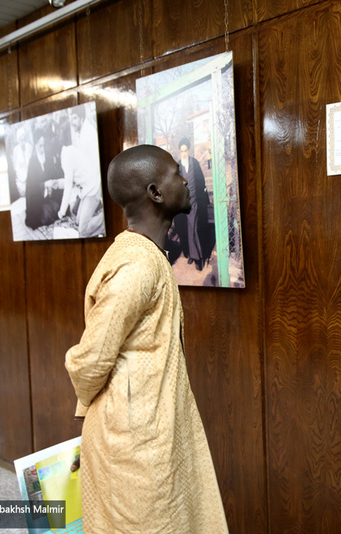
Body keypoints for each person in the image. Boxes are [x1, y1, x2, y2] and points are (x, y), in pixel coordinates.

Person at [64, 144, 229, 533]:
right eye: (176, 173)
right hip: (133, 447)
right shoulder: (138, 266)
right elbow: (89, 360)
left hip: (147, 434)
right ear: (155, 193)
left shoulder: (147, 256)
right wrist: (95, 419)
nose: (186, 180)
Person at [58, 107, 105, 237]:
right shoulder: (80, 133)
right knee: (76, 217)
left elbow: (95, 166)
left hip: (94, 185)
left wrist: (95, 194)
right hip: (86, 185)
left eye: (74, 118)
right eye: (70, 118)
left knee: (82, 231)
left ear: (81, 118)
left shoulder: (89, 134)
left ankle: (103, 221)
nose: (72, 122)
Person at [176, 137, 211, 271]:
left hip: (195, 201)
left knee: (194, 226)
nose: (184, 153)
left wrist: (203, 198)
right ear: (180, 152)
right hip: (184, 203)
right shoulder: (177, 166)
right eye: (182, 151)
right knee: (188, 228)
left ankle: (198, 258)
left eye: (185, 150)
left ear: (188, 150)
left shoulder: (194, 163)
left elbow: (201, 181)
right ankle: (192, 253)